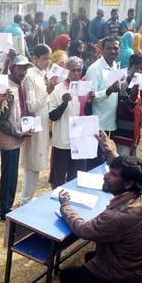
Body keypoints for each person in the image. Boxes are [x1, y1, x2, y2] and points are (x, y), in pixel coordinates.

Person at [57, 133, 142, 283]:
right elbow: (125, 169)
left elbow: (83, 229)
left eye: (112, 175)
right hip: (141, 267)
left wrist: (65, 206)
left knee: (66, 276)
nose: (105, 176)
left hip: (127, 276)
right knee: (91, 256)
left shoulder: (119, 216)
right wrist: (107, 149)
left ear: (128, 182)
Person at [0, 55, 33, 220]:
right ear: (12, 68)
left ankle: (7, 207)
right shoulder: (9, 90)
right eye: (20, 68)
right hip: (9, 140)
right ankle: (4, 210)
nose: (23, 71)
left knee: (12, 175)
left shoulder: (19, 86)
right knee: (9, 176)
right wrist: (18, 133)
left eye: (25, 68)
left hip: (16, 138)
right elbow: (1, 121)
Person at [19, 44, 56, 206]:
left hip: (43, 125)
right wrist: (48, 92)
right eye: (44, 58)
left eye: (49, 58)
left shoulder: (43, 74)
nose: (48, 61)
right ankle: (25, 202)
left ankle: (28, 199)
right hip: (34, 126)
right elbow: (31, 106)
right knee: (32, 165)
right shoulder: (30, 77)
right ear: (35, 58)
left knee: (38, 163)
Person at [48, 56, 91, 187]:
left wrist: (90, 102)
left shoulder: (85, 88)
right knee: (58, 178)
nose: (77, 73)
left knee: (77, 177)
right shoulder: (59, 89)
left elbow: (87, 113)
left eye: (79, 70)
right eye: (73, 70)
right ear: (67, 71)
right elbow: (52, 116)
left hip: (80, 139)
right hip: (63, 140)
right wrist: (64, 103)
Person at [112, 54, 142, 157]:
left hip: (133, 132)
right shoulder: (124, 85)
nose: (140, 71)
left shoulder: (140, 84)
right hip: (123, 133)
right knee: (123, 162)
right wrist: (132, 97)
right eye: (137, 68)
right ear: (130, 68)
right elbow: (122, 110)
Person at [87, 37, 122, 137]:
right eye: (109, 48)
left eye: (115, 48)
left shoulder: (115, 65)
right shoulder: (95, 69)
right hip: (99, 123)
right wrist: (109, 90)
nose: (112, 51)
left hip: (111, 121)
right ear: (102, 50)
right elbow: (91, 97)